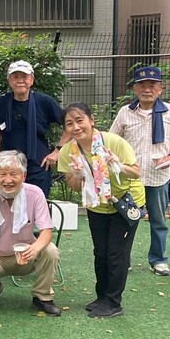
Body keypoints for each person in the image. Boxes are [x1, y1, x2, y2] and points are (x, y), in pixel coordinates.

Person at [58, 103, 145, 318]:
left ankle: (114, 302)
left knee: (116, 253)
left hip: (125, 202)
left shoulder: (113, 142)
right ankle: (102, 296)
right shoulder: (68, 152)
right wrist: (78, 175)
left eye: (80, 121)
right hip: (97, 204)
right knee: (101, 252)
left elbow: (135, 172)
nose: (76, 127)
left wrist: (117, 164)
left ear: (91, 120)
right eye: (70, 124)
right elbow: (74, 186)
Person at [108, 66, 170, 277]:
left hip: (158, 175)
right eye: (142, 85)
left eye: (152, 85)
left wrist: (169, 156)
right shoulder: (126, 112)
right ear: (135, 89)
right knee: (126, 218)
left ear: (160, 89)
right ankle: (124, 260)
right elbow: (112, 139)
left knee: (158, 219)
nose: (147, 89)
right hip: (130, 177)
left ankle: (159, 260)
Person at [0, 152, 62, 316]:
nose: (8, 180)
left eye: (14, 174)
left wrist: (35, 248)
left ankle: (42, 297)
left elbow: (46, 232)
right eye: (3, 174)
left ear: (24, 175)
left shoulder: (35, 193)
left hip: (24, 254)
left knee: (50, 250)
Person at [0, 60, 68, 197]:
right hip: (9, 164)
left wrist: (57, 151)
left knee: (38, 205)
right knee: (7, 204)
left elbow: (69, 125)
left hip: (39, 163)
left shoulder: (44, 101)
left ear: (32, 80)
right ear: (9, 80)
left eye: (24, 77)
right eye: (16, 77)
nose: (20, 81)